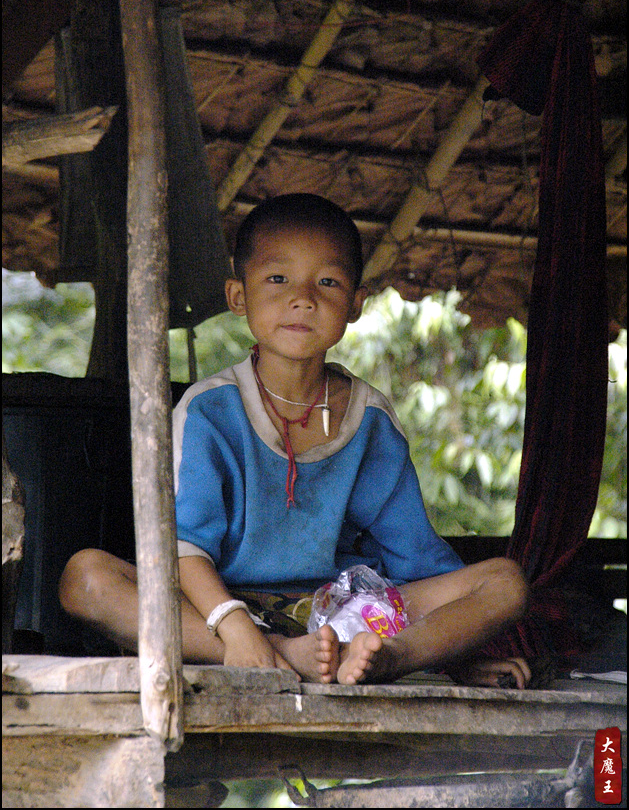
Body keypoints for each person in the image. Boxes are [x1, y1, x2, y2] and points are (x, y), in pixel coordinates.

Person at [59, 193, 530, 688]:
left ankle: (393, 657)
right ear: (238, 297)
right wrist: (237, 629)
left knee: (504, 582)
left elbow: (417, 559)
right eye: (278, 279)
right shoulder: (209, 411)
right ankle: (282, 654)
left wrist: (452, 650)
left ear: (355, 304)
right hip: (222, 610)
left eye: (327, 282)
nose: (303, 298)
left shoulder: (369, 419)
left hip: (345, 612)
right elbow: (183, 548)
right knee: (84, 577)